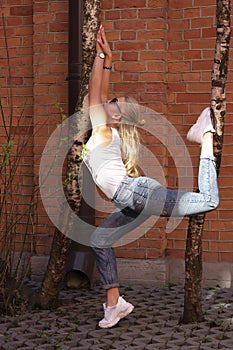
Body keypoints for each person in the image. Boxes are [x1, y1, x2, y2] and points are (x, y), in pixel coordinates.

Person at [84, 25, 219, 328]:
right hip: (132, 199)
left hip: (136, 193)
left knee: (209, 200)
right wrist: (108, 59)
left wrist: (101, 54)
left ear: (115, 115)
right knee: (100, 238)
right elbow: (99, 93)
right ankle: (114, 303)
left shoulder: (105, 128)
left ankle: (204, 135)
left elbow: (95, 93)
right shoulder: (105, 130)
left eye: (113, 103)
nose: (107, 101)